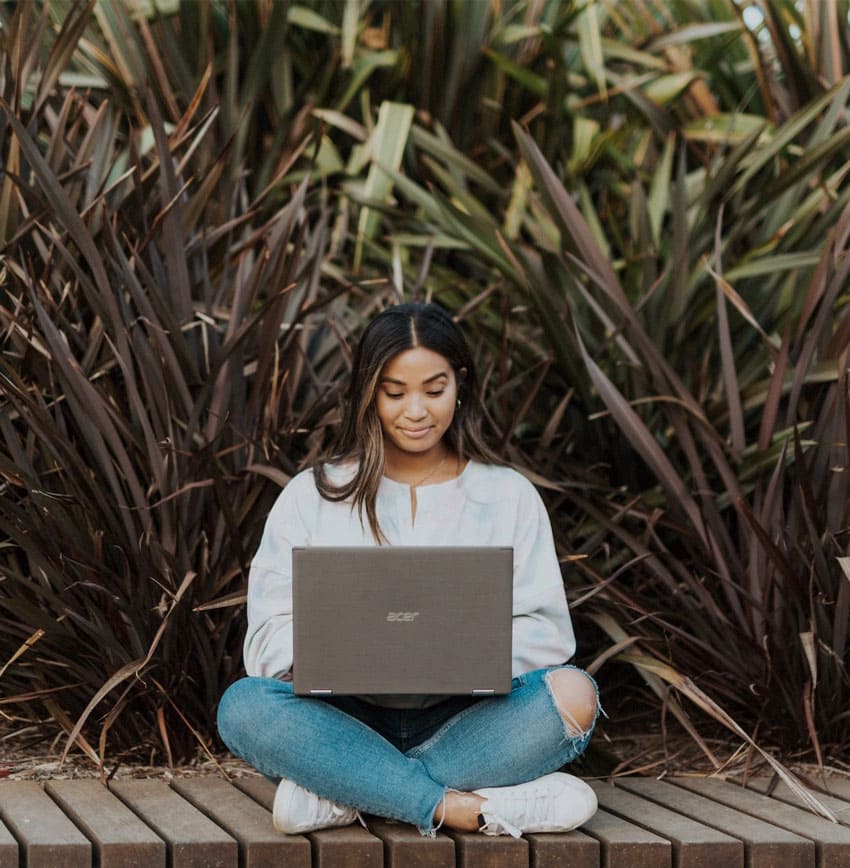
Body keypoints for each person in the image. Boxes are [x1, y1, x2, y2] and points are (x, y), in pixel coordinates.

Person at [217, 302, 600, 838]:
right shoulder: (313, 494)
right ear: (368, 391)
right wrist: (333, 658)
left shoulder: (507, 494)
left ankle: (348, 791)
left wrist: (460, 655)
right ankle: (456, 805)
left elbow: (547, 634)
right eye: (395, 393)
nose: (415, 411)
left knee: (575, 695)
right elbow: (267, 635)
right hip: (342, 719)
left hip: (466, 723)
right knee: (243, 707)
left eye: (434, 389)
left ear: (460, 383)